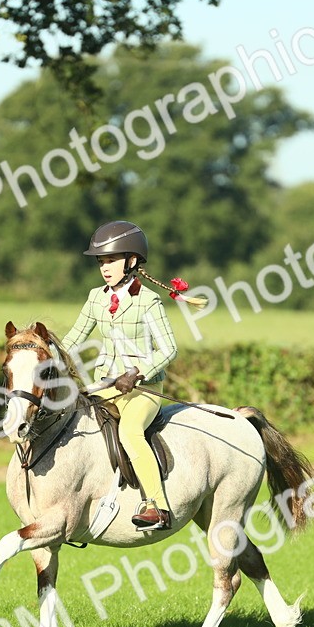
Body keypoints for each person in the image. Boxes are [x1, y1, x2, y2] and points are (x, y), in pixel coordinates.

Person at [60, 220, 204, 531]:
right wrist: (46, 354)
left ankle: (157, 505)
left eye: (110, 260)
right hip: (105, 385)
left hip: (144, 390)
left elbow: (168, 349)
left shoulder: (148, 301)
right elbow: (74, 338)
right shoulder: (95, 298)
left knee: (130, 432)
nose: (105, 268)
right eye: (101, 261)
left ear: (132, 261)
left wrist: (137, 372)